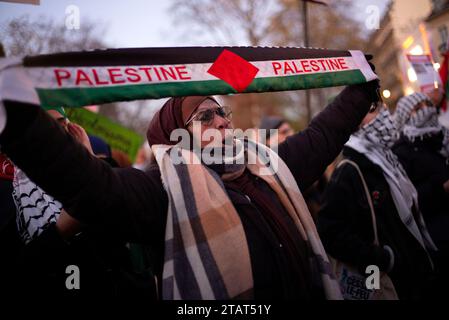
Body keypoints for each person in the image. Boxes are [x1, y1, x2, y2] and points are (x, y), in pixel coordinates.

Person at [0, 75, 380, 299]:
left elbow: (320, 137)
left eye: (222, 112)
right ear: (175, 135)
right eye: (205, 115)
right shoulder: (160, 189)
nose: (221, 121)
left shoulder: (263, 164)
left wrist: (361, 90)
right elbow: (95, 189)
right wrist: (16, 116)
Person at [317, 104, 437, 299]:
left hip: (416, 276)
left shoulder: (387, 159)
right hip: (393, 283)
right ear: (353, 120)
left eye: (381, 107)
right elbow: (330, 232)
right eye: (372, 109)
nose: (384, 112)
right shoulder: (350, 170)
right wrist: (384, 258)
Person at [392, 92, 449, 294]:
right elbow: (407, 199)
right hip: (436, 236)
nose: (424, 110)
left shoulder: (442, 137)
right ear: (406, 116)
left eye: (426, 104)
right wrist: (441, 188)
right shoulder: (401, 151)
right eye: (416, 109)